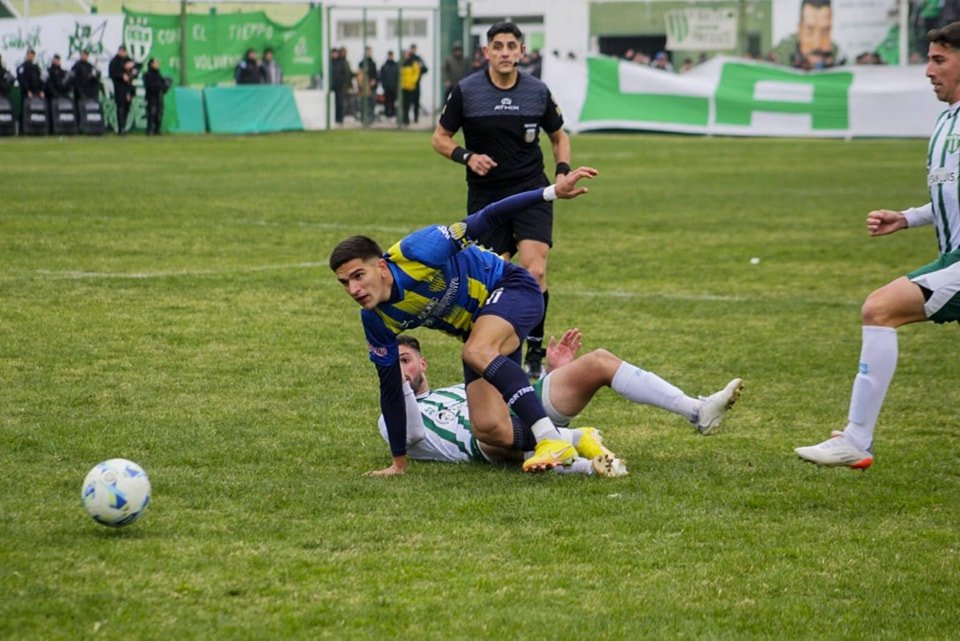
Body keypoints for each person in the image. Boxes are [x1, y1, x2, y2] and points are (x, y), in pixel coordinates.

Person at [329, 167, 598, 477]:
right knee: (487, 426)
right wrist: (398, 463)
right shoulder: (375, 319)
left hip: (509, 287)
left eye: (358, 276)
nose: (353, 290)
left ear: (380, 267)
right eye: (344, 283)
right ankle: (578, 440)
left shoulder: (418, 250)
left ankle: (550, 438)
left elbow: (488, 216)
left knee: (474, 352)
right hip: (478, 327)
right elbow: (390, 387)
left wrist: (550, 192)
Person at [794, 21, 960, 469]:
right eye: (929, 58)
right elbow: (950, 196)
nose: (927, 70)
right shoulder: (947, 120)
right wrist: (907, 218)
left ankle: (856, 439)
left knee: (879, 308)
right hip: (953, 259)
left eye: (939, 60)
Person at [381, 330, 743, 476]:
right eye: (393, 363)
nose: (402, 368)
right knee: (488, 429)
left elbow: (514, 395)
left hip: (517, 422)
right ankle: (584, 455)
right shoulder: (388, 418)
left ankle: (697, 411)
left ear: (422, 363)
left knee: (599, 360)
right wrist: (400, 389)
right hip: (489, 442)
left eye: (406, 360)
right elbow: (410, 433)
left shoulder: (457, 387)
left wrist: (551, 375)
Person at [431, 21, 572, 380]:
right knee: (496, 278)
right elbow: (440, 137)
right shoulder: (467, 91)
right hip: (486, 196)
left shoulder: (538, 91)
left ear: (522, 52)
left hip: (530, 190)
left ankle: (535, 351)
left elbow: (559, 136)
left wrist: (561, 173)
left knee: (535, 269)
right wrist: (467, 156)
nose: (505, 52)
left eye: (512, 46)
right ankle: (506, 349)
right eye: (498, 46)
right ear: (487, 52)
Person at [769, 0, 840, 69]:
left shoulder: (836, 53)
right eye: (810, 31)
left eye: (824, 31)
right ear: (800, 30)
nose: (817, 44)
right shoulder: (786, 48)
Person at [108, 45, 133, 134]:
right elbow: (112, 73)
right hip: (119, 87)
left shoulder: (128, 60)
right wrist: (122, 75)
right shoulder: (114, 61)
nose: (123, 53)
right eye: (122, 51)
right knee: (121, 107)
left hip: (129, 87)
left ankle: (124, 126)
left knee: (127, 107)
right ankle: (121, 128)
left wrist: (132, 66)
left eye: (125, 51)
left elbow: (137, 68)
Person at [400, 44, 427, 125]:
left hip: (416, 84)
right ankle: (406, 119)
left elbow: (425, 69)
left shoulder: (418, 59)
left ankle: (415, 118)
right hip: (406, 85)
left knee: (416, 102)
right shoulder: (405, 61)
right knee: (406, 103)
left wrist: (419, 71)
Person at [142, 58, 169, 135]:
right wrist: (160, 87)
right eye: (156, 63)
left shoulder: (158, 74)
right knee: (151, 113)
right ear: (151, 64)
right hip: (151, 97)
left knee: (159, 113)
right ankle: (150, 130)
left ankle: (157, 130)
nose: (157, 64)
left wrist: (165, 86)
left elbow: (162, 85)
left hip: (158, 96)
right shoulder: (148, 74)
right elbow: (150, 86)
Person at [357, 46, 378, 124]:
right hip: (364, 88)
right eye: (367, 51)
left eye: (370, 51)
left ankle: (371, 119)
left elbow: (376, 75)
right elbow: (359, 76)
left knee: (371, 103)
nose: (369, 53)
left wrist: (374, 81)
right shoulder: (361, 63)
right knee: (364, 104)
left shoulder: (373, 63)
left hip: (372, 87)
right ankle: (363, 119)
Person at [379, 50, 399, 119]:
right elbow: (382, 77)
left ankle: (393, 116)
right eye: (389, 55)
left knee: (393, 102)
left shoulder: (396, 66)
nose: (390, 57)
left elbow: (398, 77)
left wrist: (396, 86)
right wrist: (384, 85)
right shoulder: (384, 66)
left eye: (391, 55)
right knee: (386, 102)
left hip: (394, 88)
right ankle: (387, 115)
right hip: (386, 88)